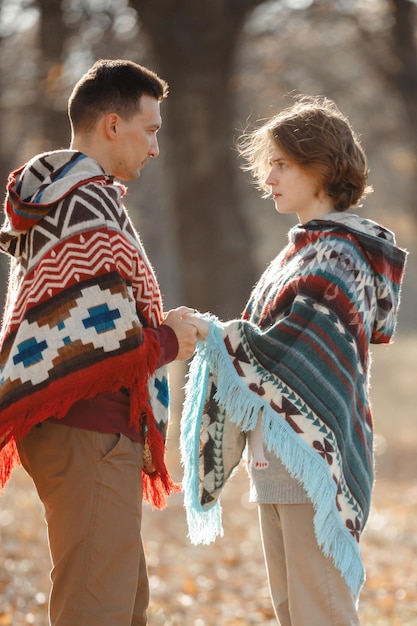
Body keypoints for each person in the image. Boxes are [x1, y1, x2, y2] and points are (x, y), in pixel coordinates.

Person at [181, 95, 407, 625]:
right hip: (274, 454)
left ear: (321, 166)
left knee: (321, 610)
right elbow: (267, 343)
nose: (269, 177)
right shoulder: (299, 250)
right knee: (291, 610)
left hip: (313, 456)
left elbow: (291, 344)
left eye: (282, 164)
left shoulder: (339, 253)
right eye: (268, 165)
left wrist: (212, 334)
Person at [0, 59, 199, 626]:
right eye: (151, 129)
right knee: (96, 610)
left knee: (124, 604)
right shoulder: (83, 202)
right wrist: (169, 339)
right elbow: (102, 343)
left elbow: (81, 321)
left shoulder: (61, 196)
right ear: (113, 125)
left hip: (84, 429)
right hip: (88, 429)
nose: (155, 147)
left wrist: (162, 330)